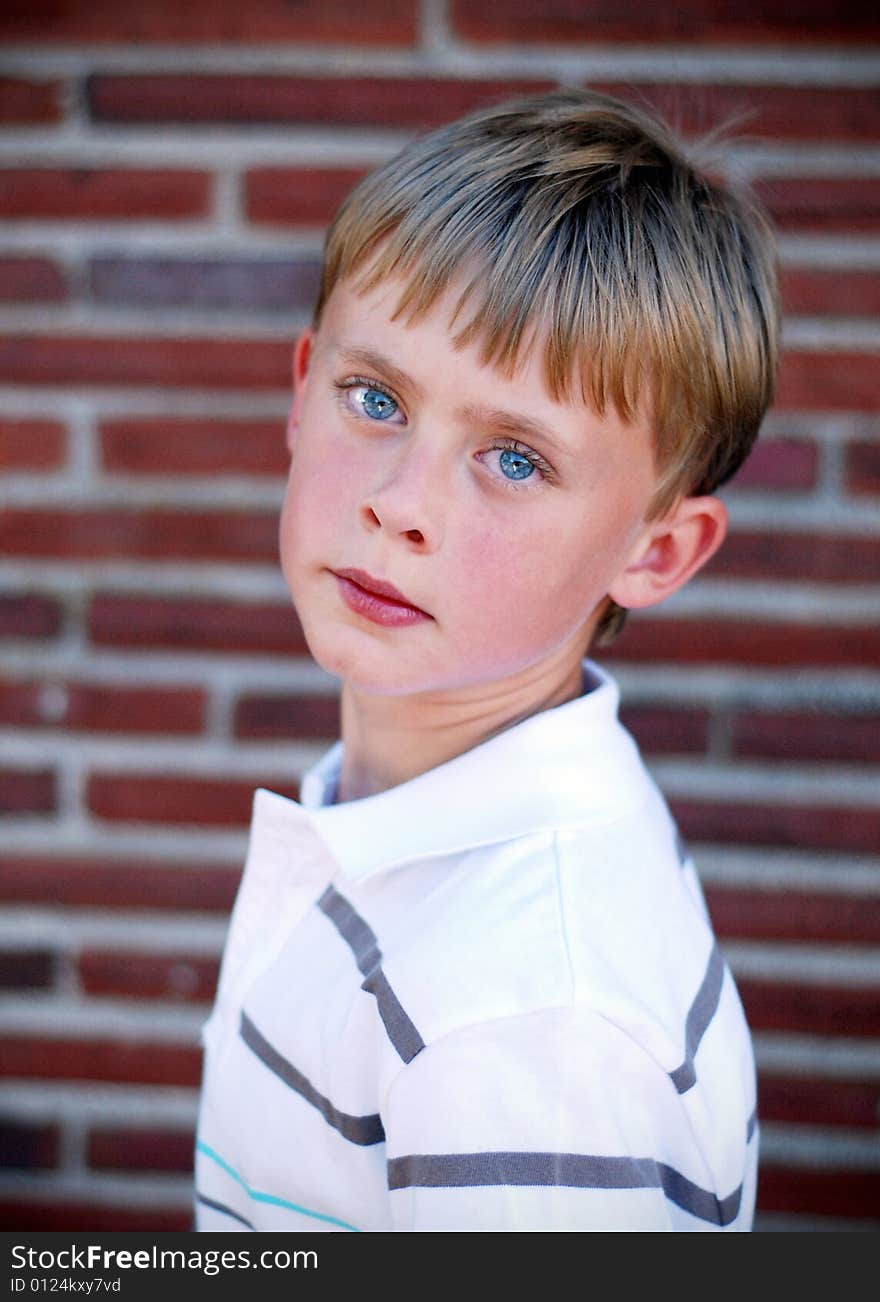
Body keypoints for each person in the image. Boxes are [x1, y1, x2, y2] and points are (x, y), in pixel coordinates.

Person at [194, 88, 779, 1232]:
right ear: (300, 392)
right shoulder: (415, 817)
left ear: (656, 552)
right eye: (376, 399)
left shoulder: (526, 1024)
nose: (400, 504)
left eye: (514, 460)